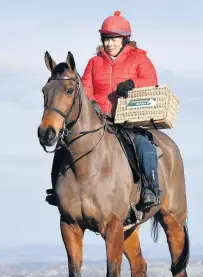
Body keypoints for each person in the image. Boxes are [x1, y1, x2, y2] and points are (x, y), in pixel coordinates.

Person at [45, 10, 161, 212]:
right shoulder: (94, 62)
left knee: (144, 145)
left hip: (127, 119)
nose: (109, 43)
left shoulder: (140, 59)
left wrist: (133, 83)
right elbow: (86, 88)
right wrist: (92, 103)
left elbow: (152, 80)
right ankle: (58, 190)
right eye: (106, 39)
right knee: (63, 148)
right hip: (100, 118)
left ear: (125, 39)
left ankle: (150, 189)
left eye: (114, 39)